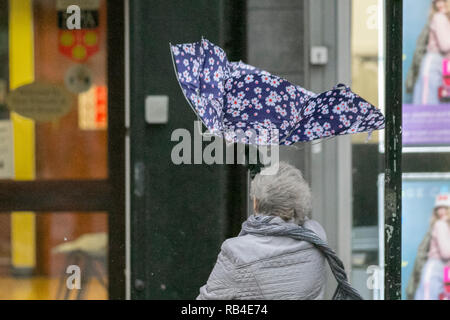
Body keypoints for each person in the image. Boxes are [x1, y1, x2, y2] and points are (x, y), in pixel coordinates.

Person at [197, 162, 361, 300]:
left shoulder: (237, 252)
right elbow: (298, 218)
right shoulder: (316, 236)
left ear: (255, 203)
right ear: (300, 202)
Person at [412, 0, 450, 105]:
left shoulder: (444, 18)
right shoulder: (439, 17)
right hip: (434, 62)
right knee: (428, 101)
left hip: (441, 63)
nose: (439, 5)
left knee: (436, 101)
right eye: (436, 2)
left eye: (443, 1)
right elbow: (445, 45)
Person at [414, 193, 450, 300]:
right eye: (439, 208)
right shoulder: (440, 224)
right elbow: (446, 253)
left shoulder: (444, 225)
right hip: (436, 266)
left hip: (444, 269)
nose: (442, 211)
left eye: (445, 208)